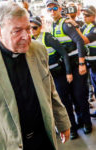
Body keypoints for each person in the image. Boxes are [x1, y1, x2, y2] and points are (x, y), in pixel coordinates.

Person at [0, 1, 71, 150]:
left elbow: (50, 89)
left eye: (28, 28)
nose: (26, 36)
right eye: (17, 31)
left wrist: (62, 122)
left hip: (43, 138)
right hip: (6, 144)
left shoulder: (38, 49)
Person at [46, 0, 92, 139]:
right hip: (67, 67)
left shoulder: (65, 24)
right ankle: (78, 122)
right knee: (71, 96)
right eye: (49, 9)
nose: (52, 11)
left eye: (54, 8)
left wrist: (82, 63)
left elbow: (79, 41)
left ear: (60, 9)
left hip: (77, 65)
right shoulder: (53, 26)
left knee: (79, 95)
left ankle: (86, 123)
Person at [69, 5, 96, 117]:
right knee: (94, 87)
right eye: (83, 15)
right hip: (91, 63)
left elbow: (84, 40)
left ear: (94, 16)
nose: (84, 17)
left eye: (87, 15)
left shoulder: (94, 28)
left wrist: (75, 28)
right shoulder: (85, 27)